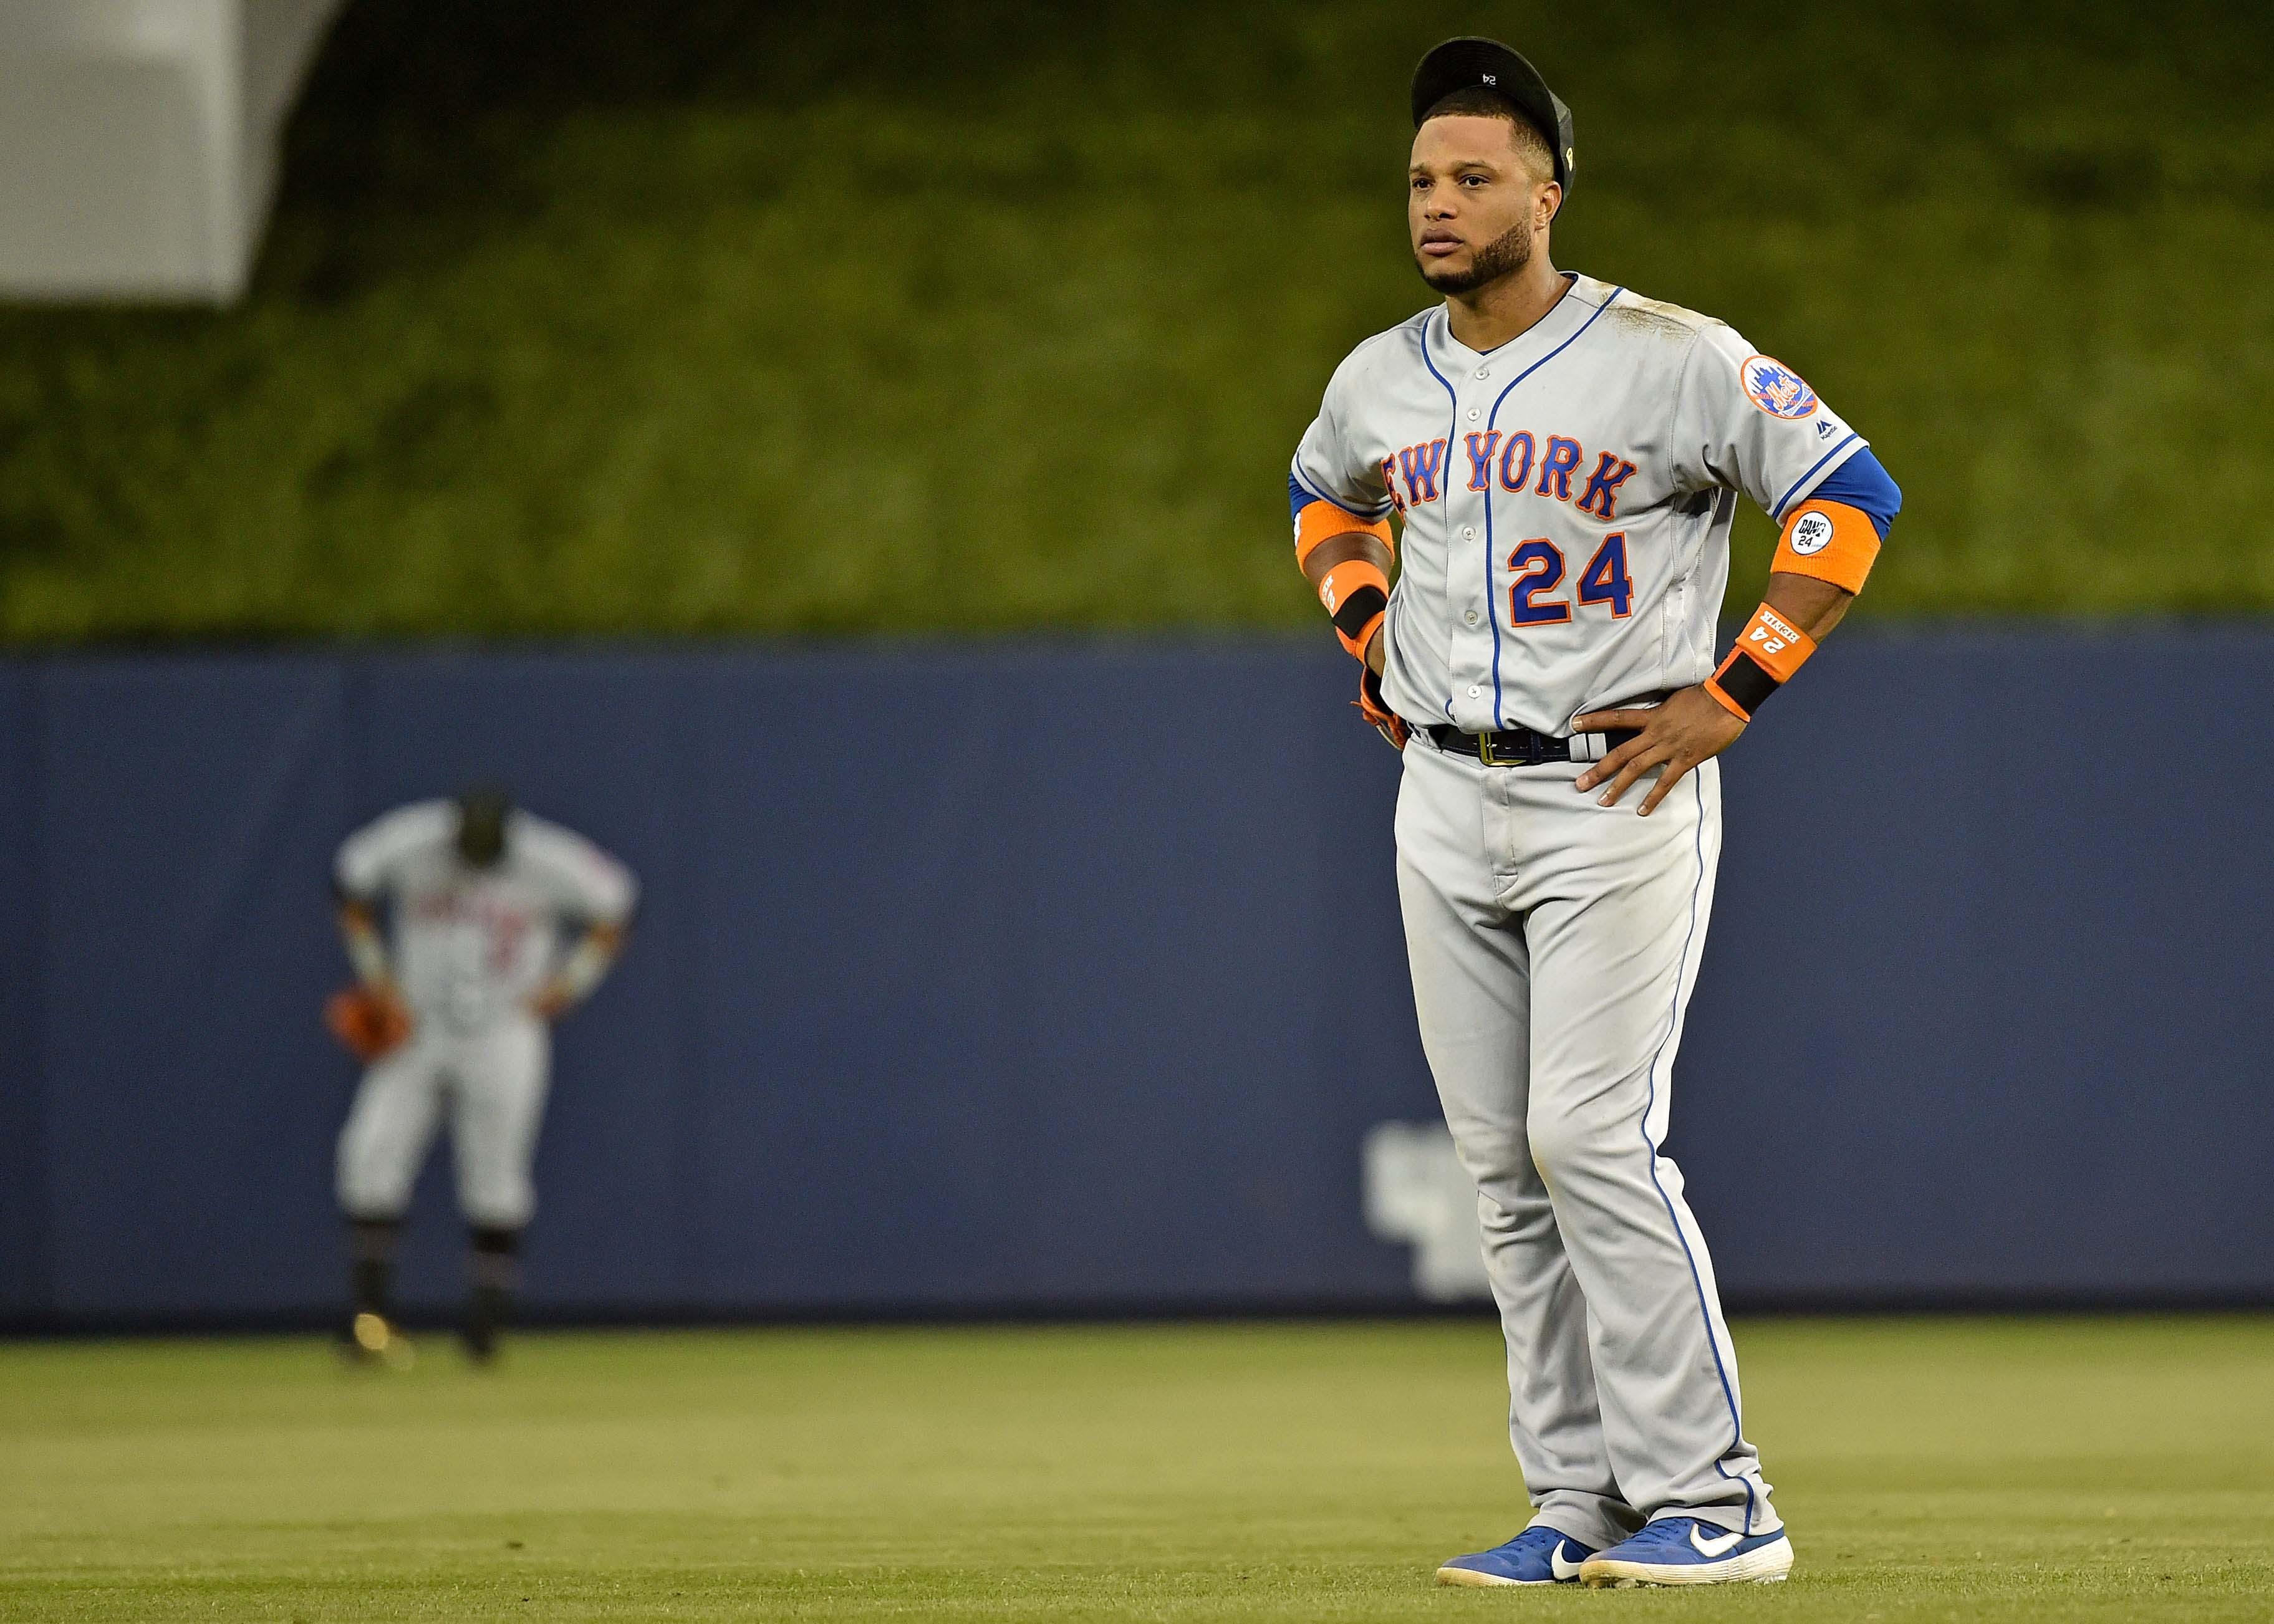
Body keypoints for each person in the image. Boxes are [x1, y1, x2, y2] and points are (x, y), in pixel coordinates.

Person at [1286, 37, 1901, 1587]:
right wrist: (1367, 624)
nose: (1439, 203)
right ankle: (1580, 1505)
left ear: (1546, 196)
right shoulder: (1379, 373)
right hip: (1441, 787)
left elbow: (1846, 496)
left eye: (1475, 176)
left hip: (1611, 788)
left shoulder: (1675, 356)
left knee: (1589, 1138)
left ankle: (1722, 1500)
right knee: (1501, 1166)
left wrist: (1741, 686)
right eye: (1424, 177)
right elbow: (1324, 496)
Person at [324, 787, 635, 1365]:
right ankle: (370, 1323)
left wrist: (572, 984)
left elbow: (616, 904)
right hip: (416, 1025)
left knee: (496, 1177)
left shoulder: (545, 856)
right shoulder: (413, 839)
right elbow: (350, 881)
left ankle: (485, 1327)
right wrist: (376, 975)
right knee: (369, 1156)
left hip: (503, 1030)